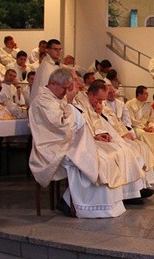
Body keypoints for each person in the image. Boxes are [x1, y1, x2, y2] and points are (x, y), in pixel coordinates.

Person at [29, 68, 132, 218]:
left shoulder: (56, 98)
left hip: (65, 143)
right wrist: (70, 107)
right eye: (65, 88)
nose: (66, 92)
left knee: (104, 157)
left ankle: (78, 201)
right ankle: (78, 204)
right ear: (52, 83)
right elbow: (62, 126)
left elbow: (72, 121)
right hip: (51, 148)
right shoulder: (43, 100)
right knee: (90, 160)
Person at [76, 80, 154, 203]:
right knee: (123, 151)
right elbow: (88, 125)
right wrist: (96, 135)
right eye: (99, 99)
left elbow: (113, 121)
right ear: (90, 94)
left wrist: (120, 133)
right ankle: (128, 194)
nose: (101, 103)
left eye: (103, 100)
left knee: (131, 148)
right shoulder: (83, 103)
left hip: (104, 136)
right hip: (92, 140)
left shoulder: (96, 103)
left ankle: (135, 190)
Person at [126, 85, 154, 158]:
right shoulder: (129, 104)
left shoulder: (147, 105)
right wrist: (144, 128)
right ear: (139, 94)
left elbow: (152, 118)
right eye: (146, 93)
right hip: (136, 127)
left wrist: (151, 126)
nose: (148, 95)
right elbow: (131, 120)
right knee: (142, 134)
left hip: (147, 127)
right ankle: (148, 156)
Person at [30, 38, 63, 103]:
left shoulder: (56, 64)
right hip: (44, 102)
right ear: (48, 50)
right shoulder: (46, 67)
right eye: (55, 49)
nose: (58, 52)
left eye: (60, 49)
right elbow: (44, 89)